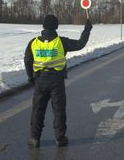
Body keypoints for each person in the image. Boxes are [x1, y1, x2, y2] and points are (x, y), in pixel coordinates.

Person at [24, 14, 92, 147]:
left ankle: (34, 138)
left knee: (38, 109)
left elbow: (27, 60)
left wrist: (30, 77)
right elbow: (80, 44)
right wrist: (87, 30)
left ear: (43, 26)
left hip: (40, 80)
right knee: (59, 110)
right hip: (56, 81)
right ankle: (60, 138)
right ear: (56, 26)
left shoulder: (34, 42)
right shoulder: (61, 42)